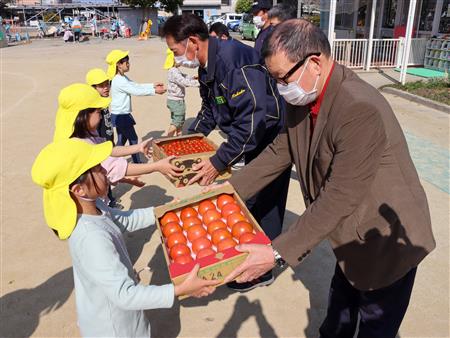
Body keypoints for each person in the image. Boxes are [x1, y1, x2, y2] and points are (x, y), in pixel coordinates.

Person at [223, 19, 436, 338]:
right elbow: (281, 151)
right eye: (275, 80)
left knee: (374, 323)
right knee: (338, 315)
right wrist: (226, 191)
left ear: (315, 62)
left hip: (385, 241)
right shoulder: (305, 97)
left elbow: (340, 195)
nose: (281, 88)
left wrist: (276, 253)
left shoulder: (358, 108)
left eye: (283, 78)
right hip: (349, 234)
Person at [31, 138, 218, 337]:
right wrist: (179, 289)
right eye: (97, 168)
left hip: (118, 313)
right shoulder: (91, 238)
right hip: (114, 327)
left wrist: (162, 211)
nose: (105, 170)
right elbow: (125, 295)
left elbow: (123, 220)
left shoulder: (93, 207)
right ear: (78, 190)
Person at [162, 14, 291, 291]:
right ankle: (251, 253)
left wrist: (218, 161)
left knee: (265, 200)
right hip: (248, 137)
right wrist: (188, 140)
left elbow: (252, 121)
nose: (175, 57)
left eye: (175, 50)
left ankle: (263, 268)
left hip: (271, 137)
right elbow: (210, 110)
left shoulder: (233, 61)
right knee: (250, 198)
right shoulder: (205, 67)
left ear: (193, 42)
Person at [53, 83, 183, 189]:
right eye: (98, 112)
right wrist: (156, 166)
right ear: (84, 115)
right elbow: (113, 167)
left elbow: (108, 150)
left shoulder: (85, 133)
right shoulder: (79, 144)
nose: (100, 116)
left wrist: (137, 148)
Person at [106, 49, 166, 163]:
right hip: (121, 115)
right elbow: (135, 91)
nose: (129, 64)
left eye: (128, 61)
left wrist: (152, 86)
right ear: (118, 65)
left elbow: (135, 85)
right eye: (126, 62)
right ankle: (137, 163)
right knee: (133, 139)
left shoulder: (121, 77)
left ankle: (111, 161)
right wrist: (155, 91)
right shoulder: (119, 80)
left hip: (120, 114)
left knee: (121, 141)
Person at [163, 49, 199, 136]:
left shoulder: (174, 70)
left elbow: (184, 76)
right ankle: (168, 139)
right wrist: (198, 83)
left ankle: (179, 137)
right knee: (177, 121)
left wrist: (193, 77)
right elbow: (183, 82)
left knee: (179, 121)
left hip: (174, 100)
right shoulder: (174, 71)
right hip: (176, 101)